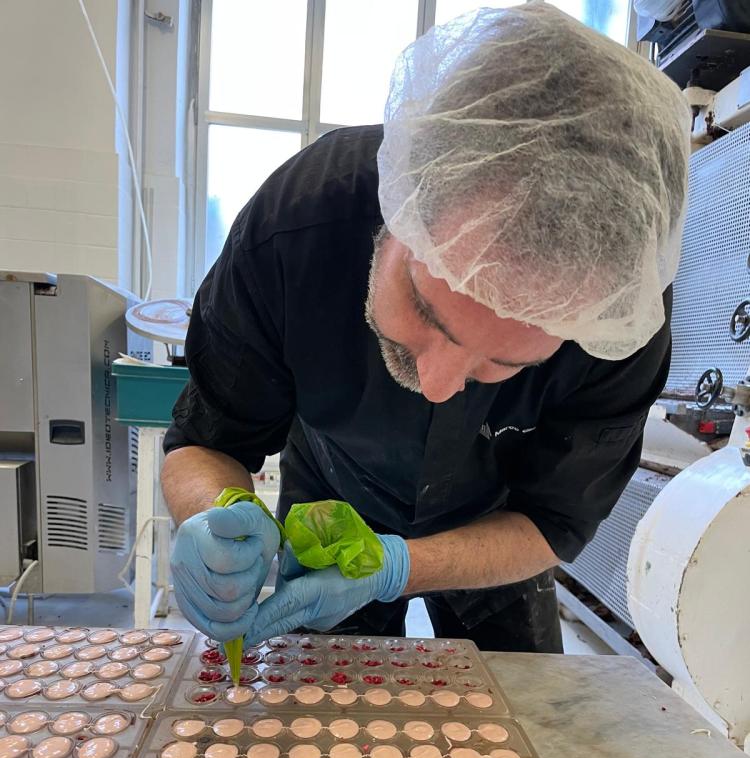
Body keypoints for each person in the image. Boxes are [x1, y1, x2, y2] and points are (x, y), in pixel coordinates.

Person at [162, 3, 691, 652]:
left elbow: (552, 522)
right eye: (424, 309)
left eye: (503, 365)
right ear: (393, 207)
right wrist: (218, 521)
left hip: (494, 527)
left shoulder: (615, 318)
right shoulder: (297, 229)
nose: (439, 385)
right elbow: (208, 439)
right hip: (333, 496)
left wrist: (398, 565)